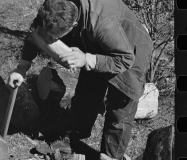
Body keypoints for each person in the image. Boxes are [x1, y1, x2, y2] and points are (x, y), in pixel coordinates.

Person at [8, 0, 153, 159]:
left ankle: (110, 156)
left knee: (120, 110)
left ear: (74, 25)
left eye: (53, 36)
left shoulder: (103, 24)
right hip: (95, 42)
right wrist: (22, 66)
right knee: (87, 92)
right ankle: (74, 139)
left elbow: (125, 59)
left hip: (130, 52)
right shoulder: (54, 7)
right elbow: (37, 29)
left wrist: (87, 59)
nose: (48, 37)